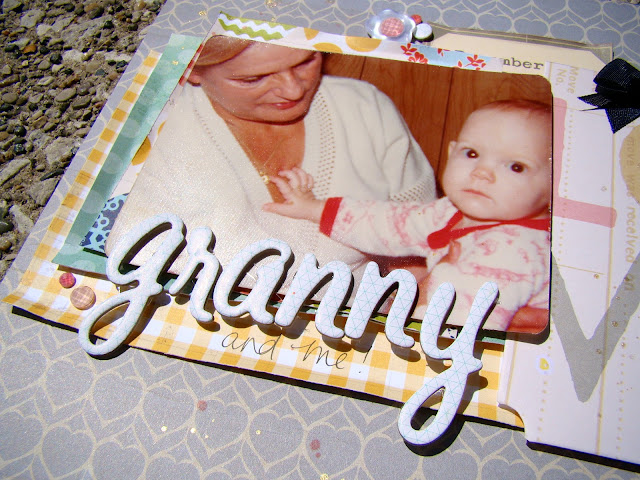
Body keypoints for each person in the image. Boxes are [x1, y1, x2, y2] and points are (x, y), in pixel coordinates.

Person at [105, 35, 436, 293]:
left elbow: (420, 237)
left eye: (306, 61)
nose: (293, 90)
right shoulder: (151, 134)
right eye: (253, 79)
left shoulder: (363, 106)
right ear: (191, 68)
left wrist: (405, 297)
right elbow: (126, 262)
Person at [263, 100, 552, 332]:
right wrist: (314, 208)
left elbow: (455, 324)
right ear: (452, 152)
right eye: (472, 153)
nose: (482, 173)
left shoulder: (512, 251)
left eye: (516, 167)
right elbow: (393, 222)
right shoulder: (453, 211)